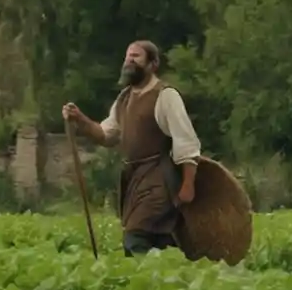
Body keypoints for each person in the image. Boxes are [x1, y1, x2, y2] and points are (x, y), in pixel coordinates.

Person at [62, 40, 202, 256]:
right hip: (134, 181)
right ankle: (173, 273)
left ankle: (144, 275)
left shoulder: (165, 96)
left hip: (159, 179)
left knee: (135, 236)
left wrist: (188, 184)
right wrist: (80, 119)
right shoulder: (124, 99)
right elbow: (106, 135)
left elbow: (186, 141)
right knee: (159, 238)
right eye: (127, 56)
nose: (129, 61)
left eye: (136, 56)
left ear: (153, 64)